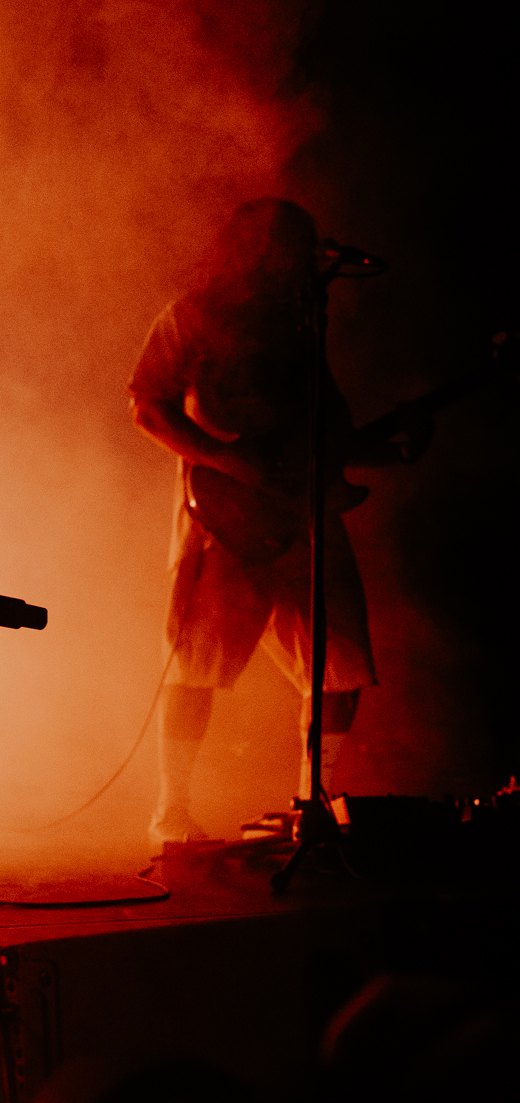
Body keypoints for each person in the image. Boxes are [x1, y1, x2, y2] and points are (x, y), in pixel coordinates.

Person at [128, 197, 428, 850]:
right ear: (253, 250)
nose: (300, 258)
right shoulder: (192, 317)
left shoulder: (301, 333)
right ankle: (171, 813)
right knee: (196, 667)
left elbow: (329, 440)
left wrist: (390, 447)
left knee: (342, 660)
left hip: (306, 522)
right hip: (222, 523)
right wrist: (232, 460)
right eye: (289, 246)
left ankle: (309, 799)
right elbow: (147, 404)